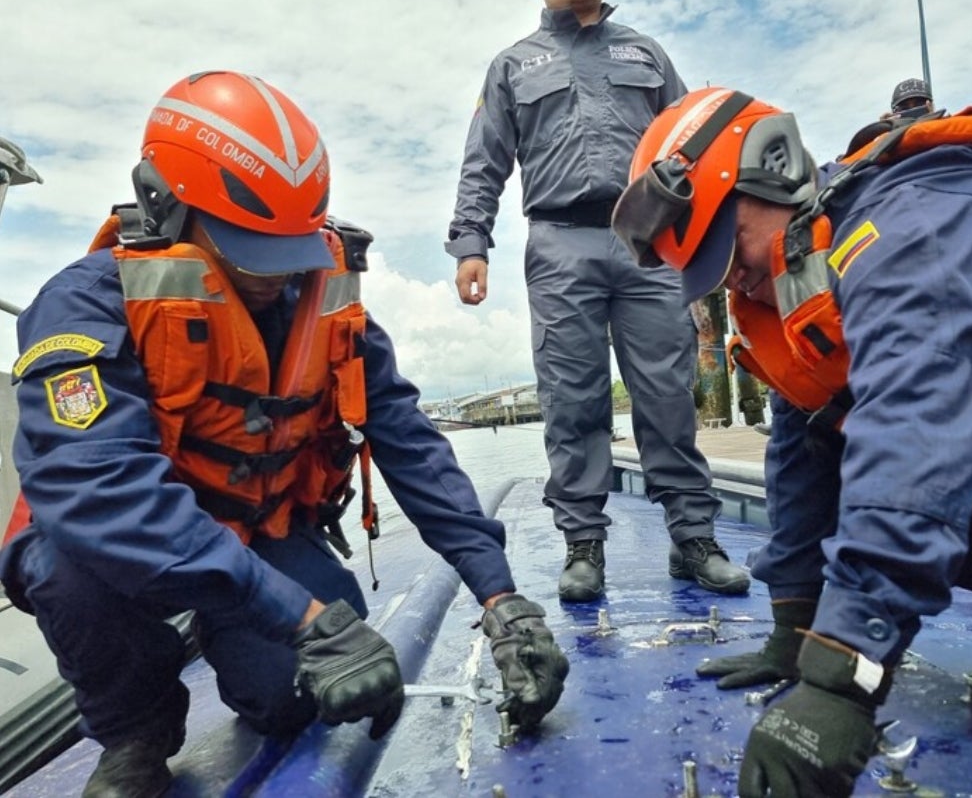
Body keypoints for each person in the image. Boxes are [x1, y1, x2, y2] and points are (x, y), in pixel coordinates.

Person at [0, 71, 568, 798]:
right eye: (247, 251)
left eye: (288, 249)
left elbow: (407, 438)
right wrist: (301, 618)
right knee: (61, 568)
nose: (275, 277)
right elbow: (96, 492)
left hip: (253, 531)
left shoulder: (321, 296)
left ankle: (230, 634)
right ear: (166, 208)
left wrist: (502, 599)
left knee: (302, 699)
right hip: (123, 550)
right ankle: (137, 730)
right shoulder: (81, 304)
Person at [613, 86, 972, 796]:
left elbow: (915, 422)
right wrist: (796, 632)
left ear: (776, 171)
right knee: (947, 543)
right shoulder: (794, 296)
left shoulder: (913, 220)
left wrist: (843, 676)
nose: (734, 281)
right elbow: (804, 452)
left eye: (732, 250)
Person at [445, 0, 749, 603]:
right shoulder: (512, 66)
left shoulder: (645, 55)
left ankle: (693, 539)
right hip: (557, 243)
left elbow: (694, 149)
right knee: (572, 399)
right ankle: (584, 546)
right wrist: (471, 243)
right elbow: (483, 162)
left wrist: (706, 247)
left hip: (647, 245)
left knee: (668, 395)